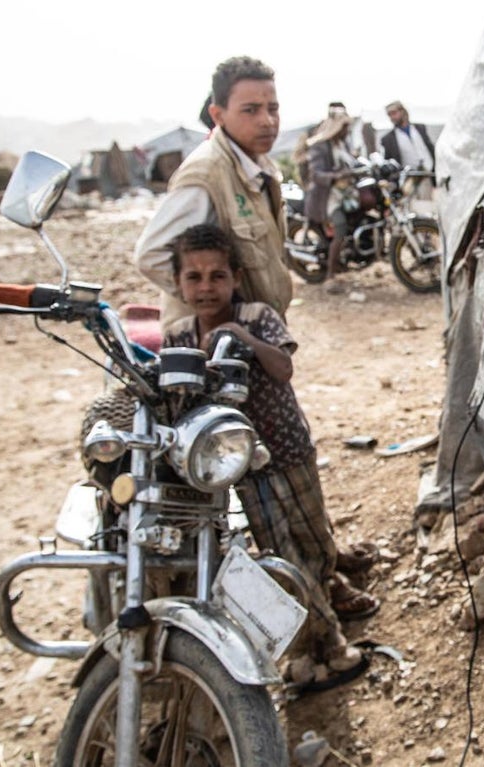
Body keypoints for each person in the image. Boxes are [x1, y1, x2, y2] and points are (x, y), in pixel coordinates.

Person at [163, 223, 379, 684]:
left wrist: (241, 336)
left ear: (235, 278)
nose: (205, 287)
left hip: (288, 450)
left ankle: (321, 610)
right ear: (178, 282)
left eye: (216, 276)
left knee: (317, 544)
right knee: (282, 555)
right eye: (194, 277)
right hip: (243, 468)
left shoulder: (257, 316)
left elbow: (282, 369)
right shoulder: (178, 337)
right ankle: (324, 644)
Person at [134, 55, 292, 330]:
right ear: (218, 115)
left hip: (252, 338)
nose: (267, 121)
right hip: (211, 349)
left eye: (273, 108)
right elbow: (151, 256)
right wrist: (218, 310)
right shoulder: (206, 175)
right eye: (251, 110)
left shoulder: (259, 167)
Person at [304, 112, 357, 289]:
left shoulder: (341, 144)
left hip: (346, 194)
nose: (347, 130)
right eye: (344, 127)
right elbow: (316, 174)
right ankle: (330, 274)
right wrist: (336, 176)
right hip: (328, 198)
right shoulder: (320, 147)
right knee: (340, 228)